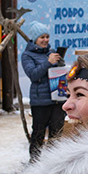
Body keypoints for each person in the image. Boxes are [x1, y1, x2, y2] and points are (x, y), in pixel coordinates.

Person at [21, 21, 65, 162]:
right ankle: (34, 163)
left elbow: (57, 73)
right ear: (35, 39)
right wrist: (48, 62)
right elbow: (33, 75)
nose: (46, 40)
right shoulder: (27, 55)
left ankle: (53, 163)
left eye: (47, 37)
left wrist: (60, 63)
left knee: (56, 133)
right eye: (42, 37)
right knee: (38, 134)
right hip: (40, 101)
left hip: (57, 98)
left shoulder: (52, 53)